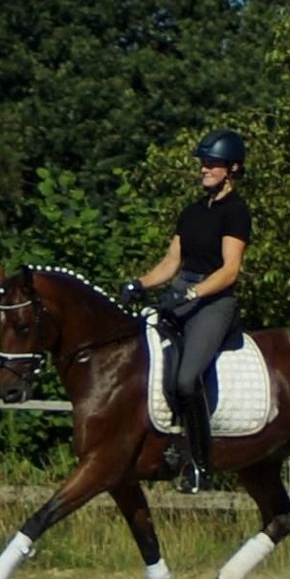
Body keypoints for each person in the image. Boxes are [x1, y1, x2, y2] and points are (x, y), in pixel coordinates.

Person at [120, 128, 252, 493]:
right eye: (203, 163)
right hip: (183, 294)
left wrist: (193, 293)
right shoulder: (191, 212)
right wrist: (140, 283)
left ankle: (200, 464)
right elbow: (171, 262)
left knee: (185, 378)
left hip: (214, 302)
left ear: (232, 168)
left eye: (212, 164)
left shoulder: (235, 213)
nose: (204, 169)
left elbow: (229, 270)